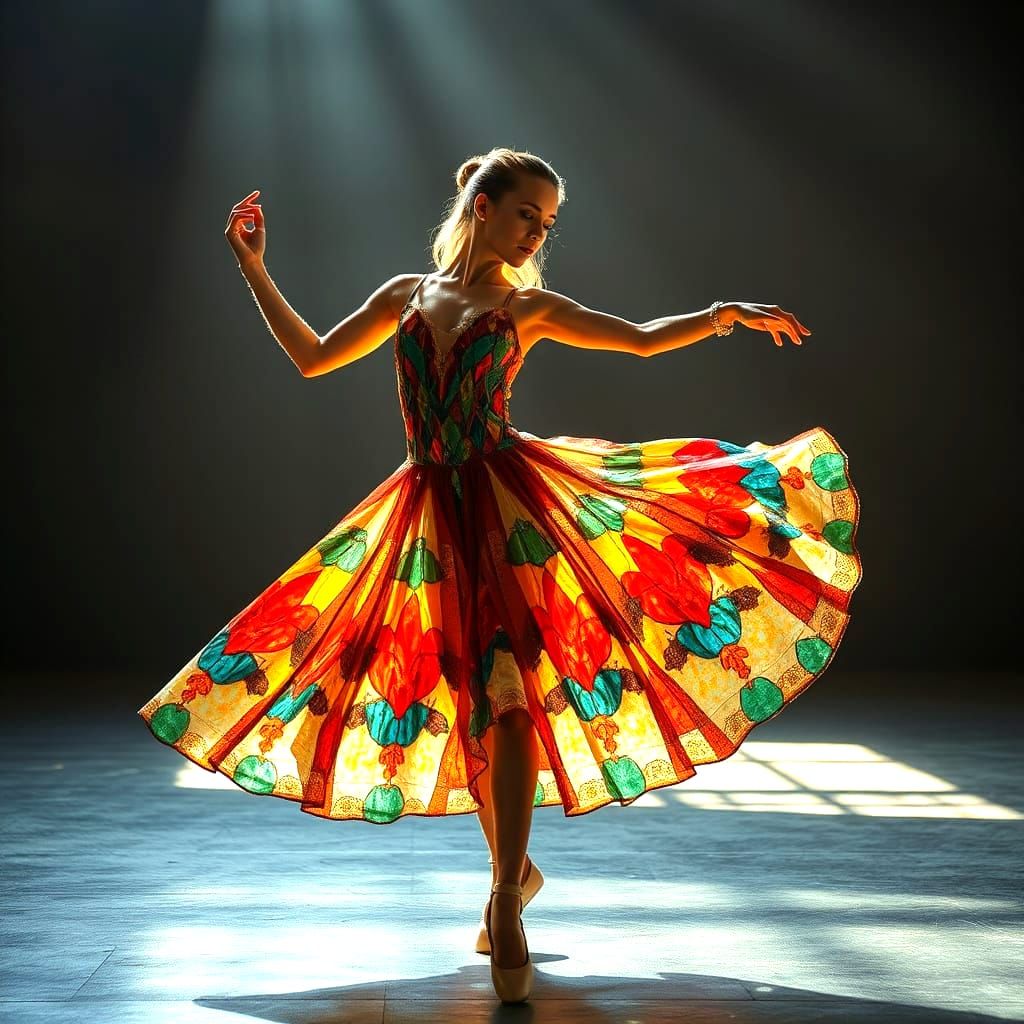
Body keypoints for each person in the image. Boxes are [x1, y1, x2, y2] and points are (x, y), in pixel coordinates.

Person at [139, 146, 862, 1004]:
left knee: (510, 698)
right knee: (473, 705)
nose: (537, 233)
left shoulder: (530, 307)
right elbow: (312, 357)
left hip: (512, 515)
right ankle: (515, 877)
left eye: (548, 222)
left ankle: (505, 900)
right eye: (528, 213)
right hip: (425, 519)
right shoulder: (404, 297)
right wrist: (254, 267)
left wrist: (721, 314)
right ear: (481, 205)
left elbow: (634, 340)